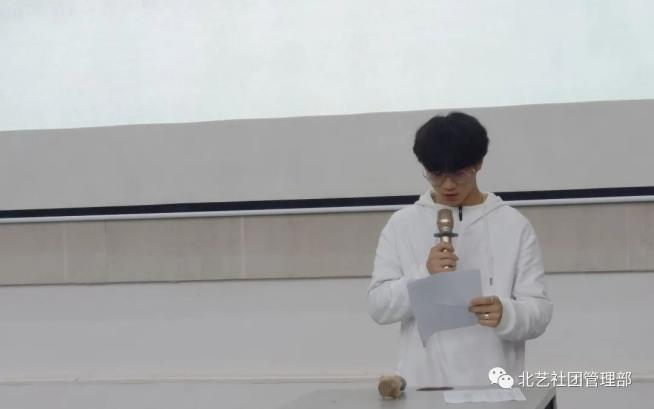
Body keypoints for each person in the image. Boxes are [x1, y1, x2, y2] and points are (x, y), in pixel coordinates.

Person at [367, 112, 553, 387]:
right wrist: (423, 274)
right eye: (436, 174)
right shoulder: (402, 224)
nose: (448, 185)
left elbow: (539, 312)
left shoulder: (513, 225)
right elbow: (379, 307)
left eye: (458, 173)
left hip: (494, 388)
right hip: (424, 388)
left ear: (478, 164)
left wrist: (507, 314)